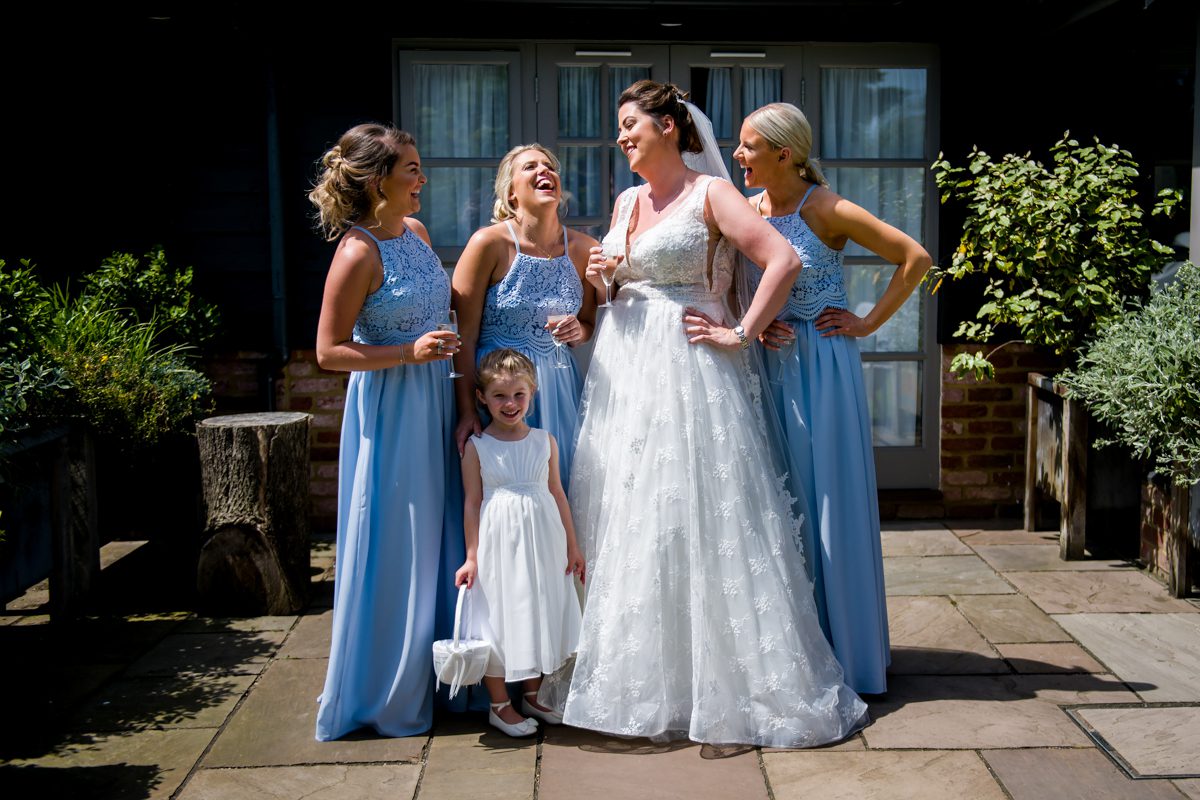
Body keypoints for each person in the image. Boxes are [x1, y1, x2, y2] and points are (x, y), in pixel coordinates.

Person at [559, 80, 867, 747]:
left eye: (630, 124)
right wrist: (602, 273)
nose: (621, 137)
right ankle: (645, 679)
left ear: (670, 126)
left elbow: (780, 259)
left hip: (689, 370)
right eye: (617, 127)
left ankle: (726, 682)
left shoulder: (711, 194)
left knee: (701, 513)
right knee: (632, 513)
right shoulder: (625, 201)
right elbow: (613, 284)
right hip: (626, 373)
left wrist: (743, 333)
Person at [734, 102, 932, 695]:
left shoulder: (823, 206)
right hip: (767, 365)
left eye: (748, 146)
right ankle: (790, 649)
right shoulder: (747, 210)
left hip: (822, 364)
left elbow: (914, 258)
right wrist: (759, 322)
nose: (738, 156)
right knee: (777, 499)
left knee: (826, 498)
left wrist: (869, 324)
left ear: (783, 153)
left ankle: (847, 654)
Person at [309, 123, 461, 741]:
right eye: (412, 169)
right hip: (392, 410)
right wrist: (407, 353)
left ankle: (448, 675)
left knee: (444, 537)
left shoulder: (418, 235)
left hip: (436, 399)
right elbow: (327, 351)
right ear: (378, 182)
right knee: (398, 541)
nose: (422, 178)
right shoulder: (356, 252)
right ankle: (382, 689)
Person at [451, 145, 599, 490]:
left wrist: (580, 330)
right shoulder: (488, 244)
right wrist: (467, 410)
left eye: (549, 166)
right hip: (501, 390)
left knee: (560, 490)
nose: (544, 171)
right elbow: (464, 335)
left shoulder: (585, 248)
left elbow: (589, 323)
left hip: (561, 388)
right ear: (511, 193)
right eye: (530, 167)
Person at [455, 349, 585, 737]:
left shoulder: (545, 440)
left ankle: (531, 693)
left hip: (543, 541)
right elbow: (472, 502)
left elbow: (557, 493)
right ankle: (499, 704)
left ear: (533, 393)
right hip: (499, 544)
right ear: (482, 397)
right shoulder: (478, 447)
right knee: (500, 616)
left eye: (518, 395)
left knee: (537, 610)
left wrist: (572, 547)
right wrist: (471, 557)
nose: (510, 404)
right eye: (499, 396)